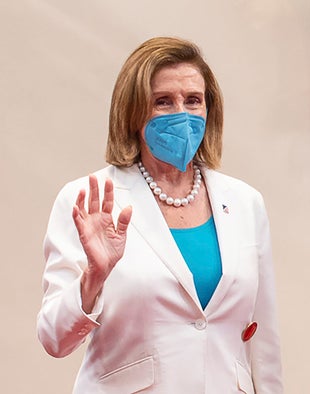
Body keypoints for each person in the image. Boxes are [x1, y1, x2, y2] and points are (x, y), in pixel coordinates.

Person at [37, 37, 282, 393]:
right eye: (163, 102)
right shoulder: (87, 199)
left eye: (193, 100)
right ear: (134, 112)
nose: (181, 114)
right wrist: (93, 277)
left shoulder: (245, 202)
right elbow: (54, 339)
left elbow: (264, 338)